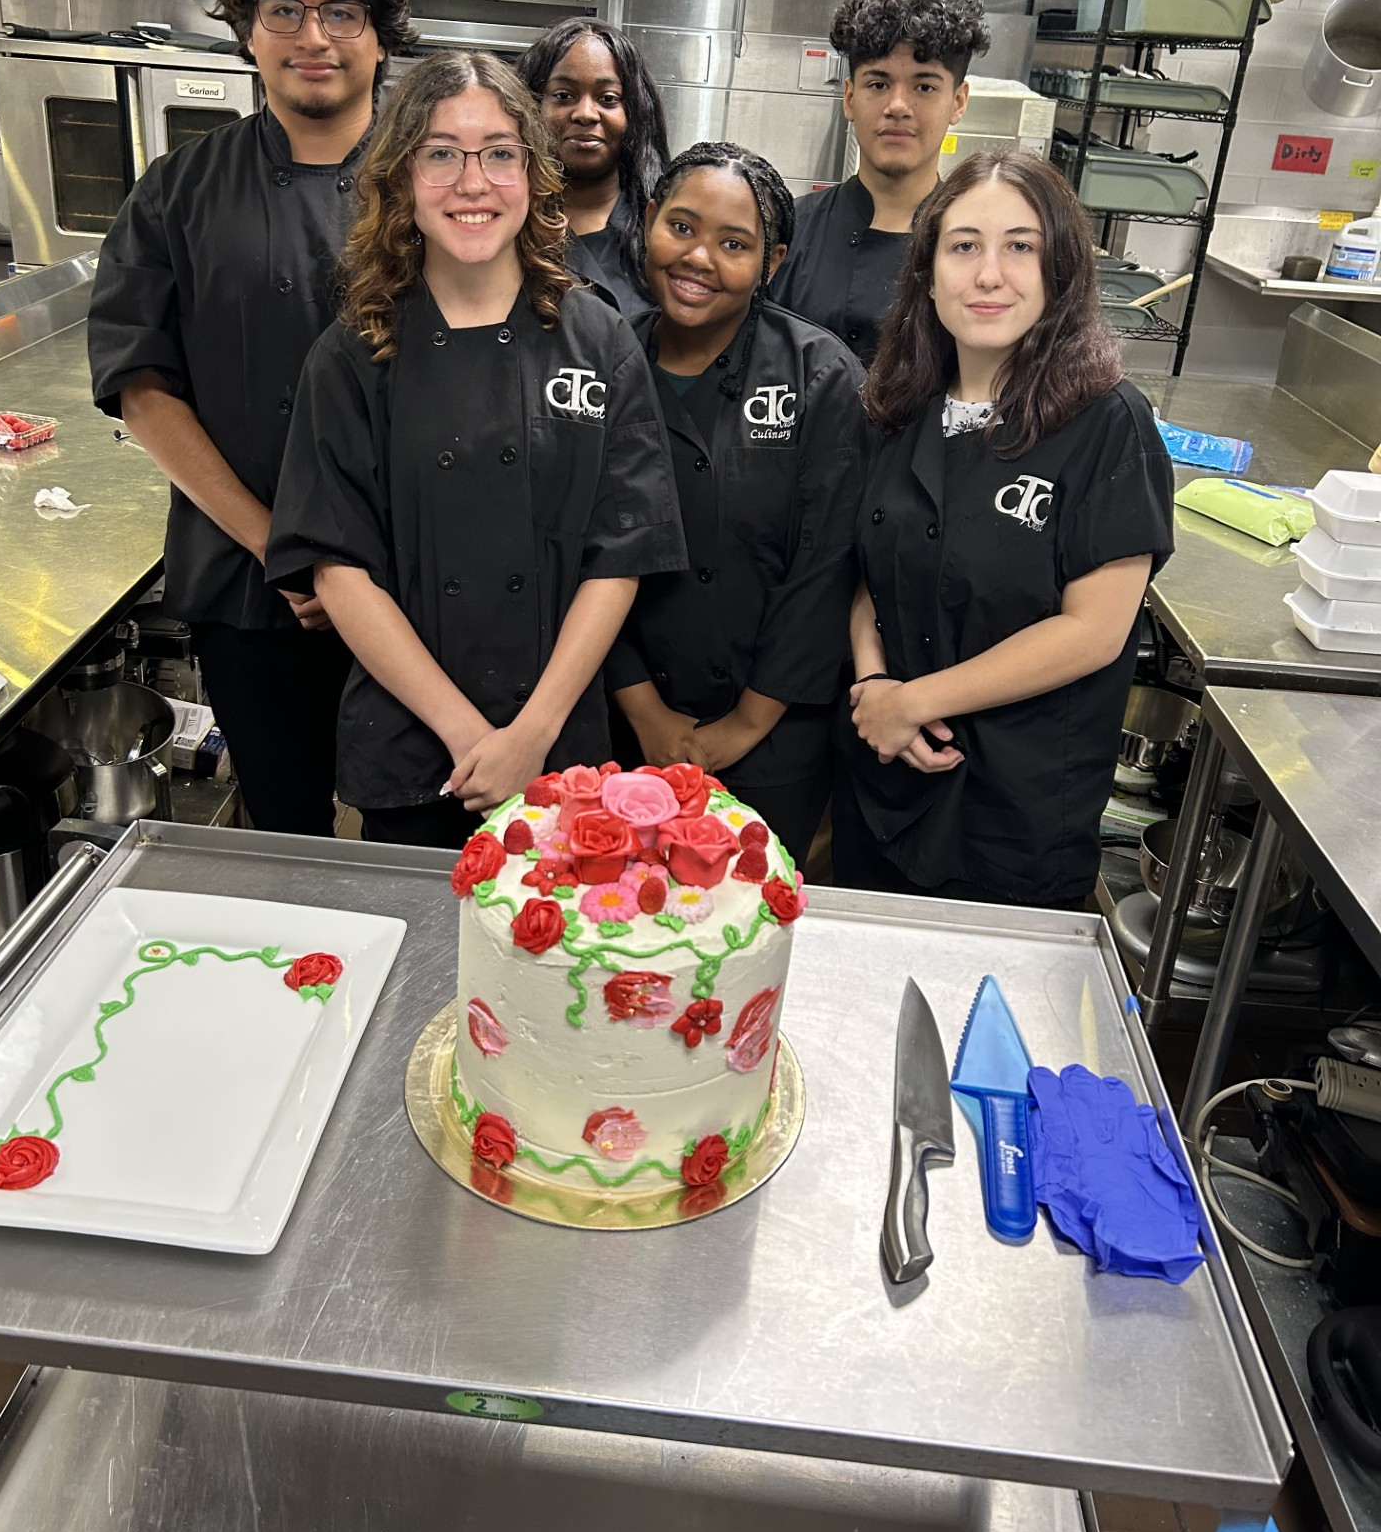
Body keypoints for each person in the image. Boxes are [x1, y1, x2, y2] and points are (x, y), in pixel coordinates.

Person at [265, 50, 687, 850]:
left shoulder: (599, 341)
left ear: (533, 173)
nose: (472, 182)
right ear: (399, 176)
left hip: (558, 749)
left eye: (499, 153)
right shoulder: (352, 354)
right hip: (410, 743)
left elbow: (620, 555)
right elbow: (337, 568)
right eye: (441, 154)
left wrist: (531, 736)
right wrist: (468, 734)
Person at [88, 0, 412, 836]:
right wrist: (281, 547)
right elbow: (144, 390)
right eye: (284, 10)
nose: (315, 37)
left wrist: (363, 567)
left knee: (418, 832)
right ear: (246, 32)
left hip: (418, 584)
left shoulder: (438, 187)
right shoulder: (177, 193)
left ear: (379, 36)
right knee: (284, 827)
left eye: (342, 11)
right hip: (247, 582)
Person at [833, 150, 1174, 911]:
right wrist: (874, 683)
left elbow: (1092, 633)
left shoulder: (1109, 425)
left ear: (1060, 269)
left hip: (1011, 812)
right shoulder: (899, 402)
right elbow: (867, 570)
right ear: (927, 272)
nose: (989, 274)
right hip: (885, 779)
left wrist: (915, 702)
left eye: (1019, 246)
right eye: (964, 246)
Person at [607, 142, 866, 871]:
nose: (699, 259)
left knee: (742, 929)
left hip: (776, 733)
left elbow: (827, 565)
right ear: (649, 220)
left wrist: (748, 720)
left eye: (734, 244)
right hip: (623, 716)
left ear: (772, 262)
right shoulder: (603, 360)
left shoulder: (820, 378)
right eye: (682, 228)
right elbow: (581, 552)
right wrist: (642, 708)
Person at [771, 0, 990, 368]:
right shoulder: (787, 232)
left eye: (924, 87)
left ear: (958, 102)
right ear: (850, 97)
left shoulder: (982, 253)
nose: (898, 106)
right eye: (878, 84)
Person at [518, 18, 670, 318]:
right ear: (531, 105)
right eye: (563, 96)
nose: (586, 114)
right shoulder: (505, 226)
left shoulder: (665, 232)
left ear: (634, 114)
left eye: (608, 99)